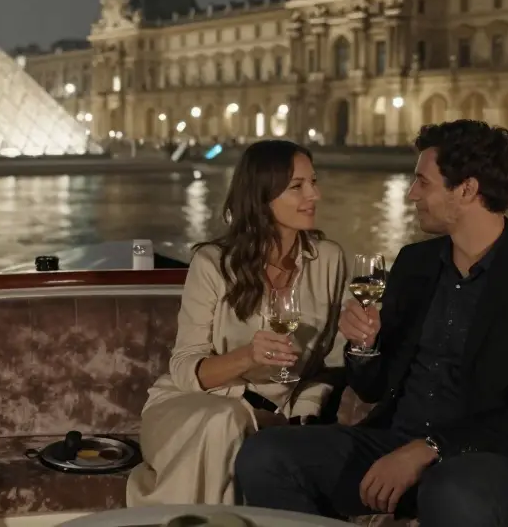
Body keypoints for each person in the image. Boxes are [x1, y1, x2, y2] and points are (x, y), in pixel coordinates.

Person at [235, 120, 508, 527]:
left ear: (466, 189)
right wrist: (364, 346)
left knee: (455, 493)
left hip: (485, 460)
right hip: (392, 441)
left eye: (422, 182)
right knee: (265, 455)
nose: (410, 194)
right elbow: (372, 387)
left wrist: (429, 448)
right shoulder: (415, 264)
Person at [126, 139, 351, 506]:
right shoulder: (213, 263)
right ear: (262, 196)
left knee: (231, 425)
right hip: (188, 408)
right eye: (297, 186)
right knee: (225, 421)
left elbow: (331, 363)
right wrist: (247, 357)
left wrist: (300, 416)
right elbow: (184, 369)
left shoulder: (329, 260)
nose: (315, 195)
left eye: (313, 182)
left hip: (267, 418)